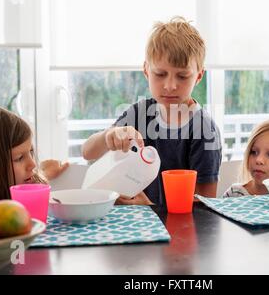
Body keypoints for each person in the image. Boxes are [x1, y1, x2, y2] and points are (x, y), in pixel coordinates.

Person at [82, 16, 222, 207]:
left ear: (198, 76)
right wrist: (109, 135)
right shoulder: (140, 113)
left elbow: (206, 208)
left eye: (182, 76)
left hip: (176, 233)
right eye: (160, 74)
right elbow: (88, 151)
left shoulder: (204, 131)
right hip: (137, 226)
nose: (170, 85)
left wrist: (149, 208)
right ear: (146, 70)